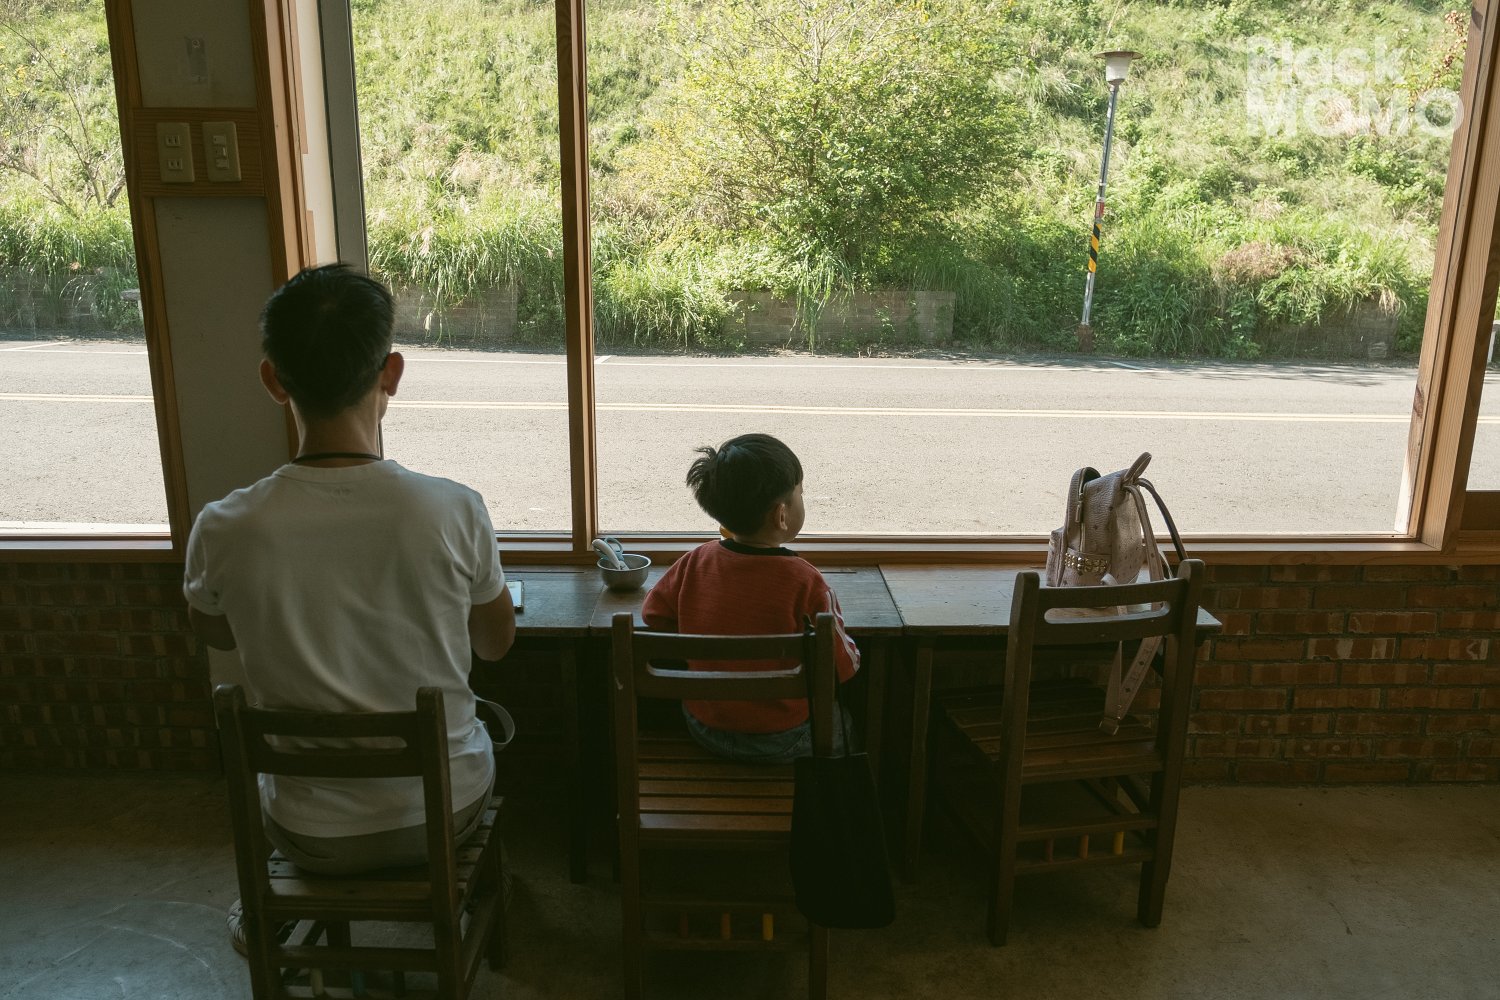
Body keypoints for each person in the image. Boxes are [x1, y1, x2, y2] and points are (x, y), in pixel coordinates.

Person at [182, 263, 515, 948]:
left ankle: (276, 909)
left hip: (309, 833)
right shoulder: (454, 510)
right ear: (392, 372)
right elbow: (495, 644)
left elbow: (214, 632)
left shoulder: (224, 525)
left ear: (274, 380)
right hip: (445, 813)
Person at [641, 433, 860, 764]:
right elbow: (841, 668)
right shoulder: (806, 581)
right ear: (781, 515)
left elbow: (654, 615)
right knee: (847, 725)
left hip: (704, 727)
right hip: (784, 738)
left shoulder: (694, 562)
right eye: (800, 494)